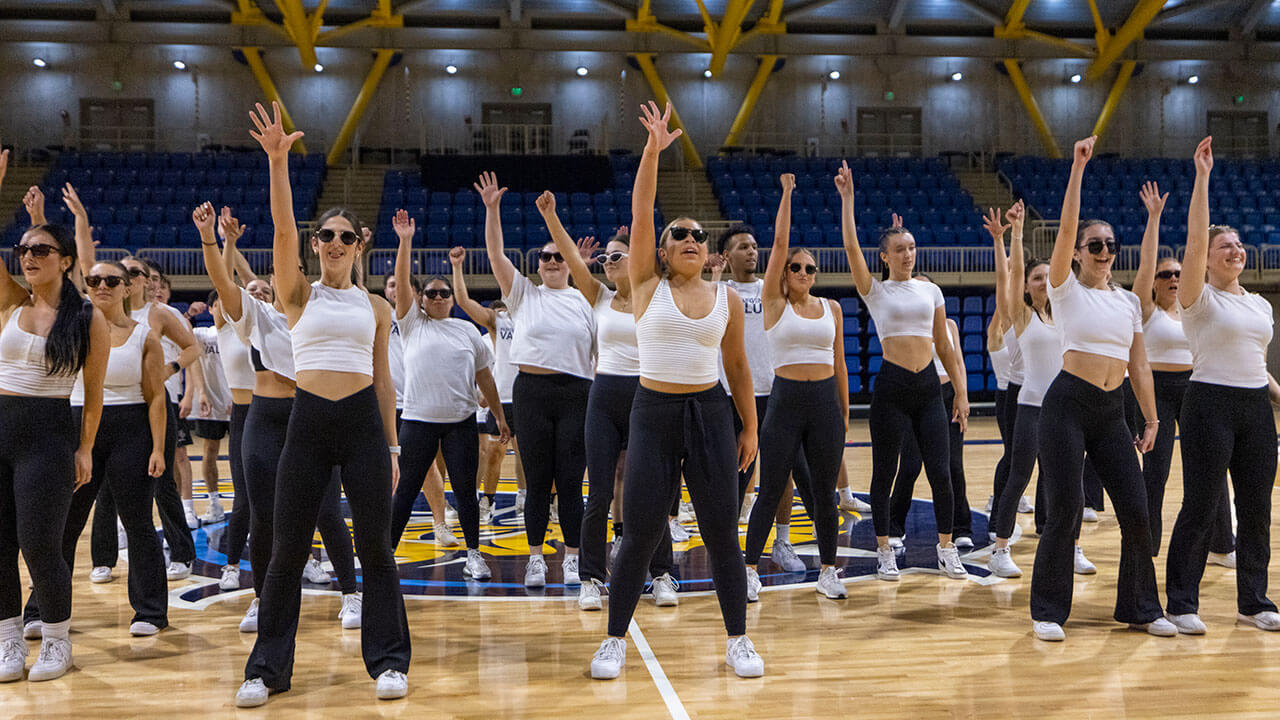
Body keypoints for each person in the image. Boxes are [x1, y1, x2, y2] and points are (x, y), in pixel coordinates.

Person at [235, 103, 410, 707]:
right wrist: (278, 163)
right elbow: (283, 230)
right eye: (325, 236)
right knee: (285, 548)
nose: (333, 243)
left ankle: (388, 661)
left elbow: (384, 383)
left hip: (362, 423)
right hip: (306, 422)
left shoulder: (378, 308)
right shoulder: (297, 294)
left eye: (344, 236)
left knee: (376, 551)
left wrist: (391, 446)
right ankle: (266, 669)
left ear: (360, 244)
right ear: (315, 246)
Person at [590, 101, 763, 681]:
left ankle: (738, 639)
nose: (690, 237)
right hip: (653, 410)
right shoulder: (644, 284)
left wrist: (751, 427)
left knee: (720, 532)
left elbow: (737, 367)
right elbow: (642, 209)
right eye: (678, 234)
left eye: (697, 234)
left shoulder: (728, 301)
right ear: (661, 251)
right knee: (640, 530)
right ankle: (614, 639)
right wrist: (651, 151)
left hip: (711, 412)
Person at [1028, 135, 1170, 642]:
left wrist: (1151, 419)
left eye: (1110, 244)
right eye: (1095, 245)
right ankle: (1047, 610)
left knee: (1136, 512)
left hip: (1113, 411)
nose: (1104, 251)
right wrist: (1077, 170)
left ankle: (1139, 608)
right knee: (1065, 510)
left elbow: (1140, 364)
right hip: (1067, 404)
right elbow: (1067, 226)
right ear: (1080, 253)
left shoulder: (1129, 303)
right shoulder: (1065, 289)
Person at [35, 184, 203, 583]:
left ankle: (176, 557)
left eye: (122, 278)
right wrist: (77, 219)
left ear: (137, 283)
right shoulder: (86, 311)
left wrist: (172, 370)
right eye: (98, 282)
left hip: (143, 409)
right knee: (89, 503)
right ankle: (97, 564)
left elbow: (191, 348)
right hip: (86, 416)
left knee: (154, 492)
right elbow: (77, 263)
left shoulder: (155, 318)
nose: (106, 285)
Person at [205, 209, 363, 629]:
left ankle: (350, 593)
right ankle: (263, 598)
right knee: (262, 515)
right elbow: (225, 283)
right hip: (263, 419)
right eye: (278, 272)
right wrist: (211, 239)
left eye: (292, 269)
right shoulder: (260, 317)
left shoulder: (320, 312)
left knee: (328, 510)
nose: (282, 276)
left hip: (308, 415)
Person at [533, 199, 679, 611]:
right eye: (605, 257)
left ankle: (661, 573)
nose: (608, 261)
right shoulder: (597, 296)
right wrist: (551, 217)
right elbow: (569, 254)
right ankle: (592, 578)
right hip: (603, 399)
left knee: (649, 493)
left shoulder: (656, 294)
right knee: (597, 494)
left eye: (618, 255)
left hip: (647, 398)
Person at [0, 146, 109, 683]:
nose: (29, 256)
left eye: (41, 249)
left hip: (47, 436)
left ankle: (58, 642)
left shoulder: (88, 319)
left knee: (40, 544)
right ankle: (7, 643)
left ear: (66, 260)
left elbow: (93, 397)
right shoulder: (9, 301)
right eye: (23, 249)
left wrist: (84, 447)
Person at [1164, 136, 1280, 634]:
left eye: (1237, 244)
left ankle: (1253, 601)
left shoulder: (1260, 305)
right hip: (1209, 403)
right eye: (1223, 245)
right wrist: (1203, 178)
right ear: (1207, 259)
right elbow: (1192, 240)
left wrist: (1276, 392)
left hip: (1256, 406)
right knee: (1203, 505)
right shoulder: (1199, 299)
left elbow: (1254, 359)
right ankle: (1182, 602)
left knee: (1257, 509)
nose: (1233, 249)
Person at [22, 255, 169, 638]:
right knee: (64, 524)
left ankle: (150, 611)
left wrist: (157, 447)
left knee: (137, 523)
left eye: (111, 280)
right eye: (94, 280)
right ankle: (42, 609)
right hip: (77, 427)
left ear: (127, 287)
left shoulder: (145, 335)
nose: (101, 286)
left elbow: (155, 396)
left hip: (130, 430)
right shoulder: (71, 329)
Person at [836, 160, 970, 583]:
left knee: (941, 471)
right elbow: (852, 249)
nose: (908, 254)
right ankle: (883, 551)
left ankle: (946, 549)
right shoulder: (876, 290)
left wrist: (962, 393)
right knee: (884, 471)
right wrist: (848, 200)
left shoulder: (931, 289)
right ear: (886, 257)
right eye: (900, 249)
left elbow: (943, 343)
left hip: (930, 388)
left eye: (912, 248)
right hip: (893, 386)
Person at [477, 170, 594, 588]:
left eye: (558, 256)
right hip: (531, 391)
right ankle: (534, 558)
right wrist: (493, 209)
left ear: (568, 261)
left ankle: (575, 557)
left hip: (577, 392)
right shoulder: (524, 293)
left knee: (570, 479)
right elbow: (495, 255)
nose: (551, 261)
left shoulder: (586, 299)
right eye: (544, 257)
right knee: (538, 480)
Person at [744, 173, 848, 602]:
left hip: (824, 402)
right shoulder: (773, 303)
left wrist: (842, 412)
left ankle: (827, 570)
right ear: (784, 272)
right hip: (785, 401)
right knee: (770, 489)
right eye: (796, 267)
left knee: (823, 493)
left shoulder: (832, 308)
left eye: (810, 268)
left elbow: (839, 364)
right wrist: (786, 193)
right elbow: (780, 242)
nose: (803, 271)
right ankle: (749, 569)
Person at [389, 209, 509, 581]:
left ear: (451, 300)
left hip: (460, 424)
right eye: (432, 293)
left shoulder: (466, 331)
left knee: (465, 492)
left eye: (444, 293)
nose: (439, 297)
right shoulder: (409, 323)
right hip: (417, 423)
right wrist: (405, 240)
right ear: (420, 299)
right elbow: (403, 282)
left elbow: (484, 376)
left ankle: (474, 554)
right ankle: (385, 556)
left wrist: (501, 416)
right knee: (406, 491)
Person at [1129, 182, 1233, 562]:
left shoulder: (1194, 309)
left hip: (1194, 387)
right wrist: (1154, 219)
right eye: (1166, 274)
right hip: (1155, 391)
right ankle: (1148, 545)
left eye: (1178, 273)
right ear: (1155, 283)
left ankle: (1223, 544)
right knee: (1155, 473)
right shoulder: (1146, 310)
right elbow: (1145, 265)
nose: (1174, 278)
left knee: (1209, 467)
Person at [716, 224, 812, 565]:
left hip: (773, 392)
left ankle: (782, 542)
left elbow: (785, 246)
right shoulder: (717, 290)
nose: (752, 251)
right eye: (743, 246)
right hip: (727, 393)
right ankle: (726, 549)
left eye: (755, 245)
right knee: (730, 476)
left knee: (780, 471)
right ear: (727, 256)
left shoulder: (771, 289)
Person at [451, 255, 526, 519]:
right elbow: (463, 302)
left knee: (530, 455)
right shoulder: (499, 320)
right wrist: (458, 268)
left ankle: (528, 497)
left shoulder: (533, 313)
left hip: (530, 396)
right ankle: (488, 501)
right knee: (495, 452)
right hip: (503, 397)